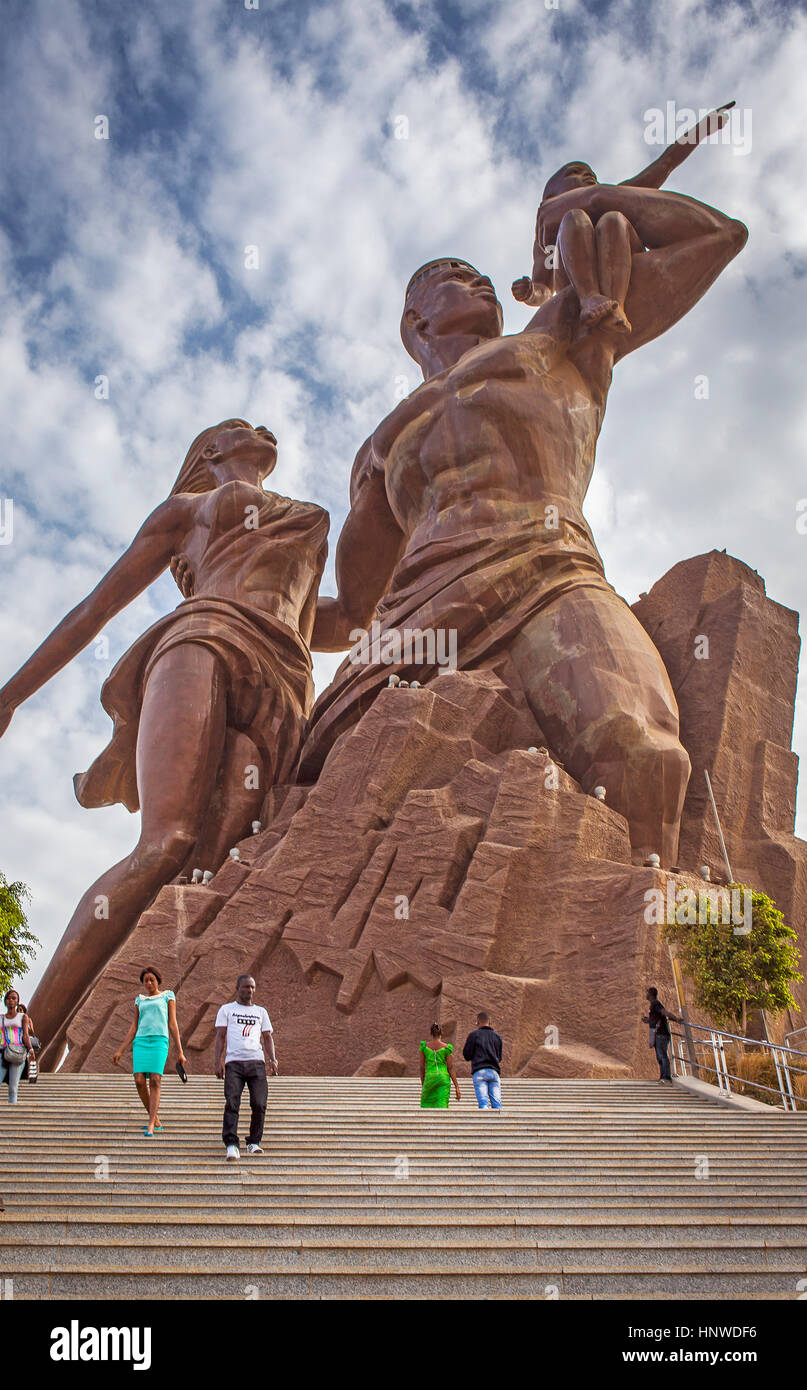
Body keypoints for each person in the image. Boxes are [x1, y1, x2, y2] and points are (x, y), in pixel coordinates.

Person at [302, 153, 747, 876]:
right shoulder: (380, 446)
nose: (476, 277)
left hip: (549, 569)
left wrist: (592, 197)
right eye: (451, 273)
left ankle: (640, 966)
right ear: (416, 319)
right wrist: (242, 611)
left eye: (478, 272)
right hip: (414, 615)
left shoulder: (557, 335)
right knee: (318, 792)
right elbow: (352, 606)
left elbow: (715, 237)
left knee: (643, 758)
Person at [0, 420, 329, 1066]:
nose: (259, 428)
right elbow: (95, 609)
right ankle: (27, 1044)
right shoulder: (191, 510)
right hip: (202, 642)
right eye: (238, 427)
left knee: (216, 860)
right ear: (211, 453)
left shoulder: (306, 520)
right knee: (165, 844)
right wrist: (11, 696)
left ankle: (98, 1036)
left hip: (286, 681)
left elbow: (326, 619)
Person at [511, 103, 735, 318]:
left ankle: (616, 304)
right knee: (574, 218)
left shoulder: (610, 197)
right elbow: (545, 288)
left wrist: (701, 130)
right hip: (575, 285)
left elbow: (664, 164)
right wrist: (530, 292)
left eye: (592, 174)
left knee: (613, 220)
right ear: (551, 196)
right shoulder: (547, 238)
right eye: (576, 173)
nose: (589, 176)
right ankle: (588, 297)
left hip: (622, 267)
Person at [113, 967, 186, 1135]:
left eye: (151, 979)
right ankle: (155, 1119)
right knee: (139, 1080)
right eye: (146, 980)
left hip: (159, 1041)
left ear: (157, 980)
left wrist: (180, 1051)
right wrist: (121, 1050)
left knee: (155, 1080)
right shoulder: (140, 1000)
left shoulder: (168, 996)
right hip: (141, 1041)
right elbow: (134, 1026)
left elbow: (173, 1024)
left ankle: (151, 1124)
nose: (149, 983)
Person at [215, 975, 278, 1161]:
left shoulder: (261, 1012)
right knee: (232, 1103)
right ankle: (231, 1144)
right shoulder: (227, 1010)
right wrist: (217, 1061)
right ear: (237, 988)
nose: (249, 990)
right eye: (245, 987)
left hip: (256, 1062)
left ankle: (253, 1142)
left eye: (252, 987)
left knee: (259, 1103)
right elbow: (220, 1036)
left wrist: (273, 1059)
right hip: (234, 1062)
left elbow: (267, 1037)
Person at [462, 1011, 503, 1110]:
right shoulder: (497, 1037)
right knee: (497, 1104)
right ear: (490, 1022)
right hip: (494, 1072)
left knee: (483, 1103)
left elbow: (467, 1055)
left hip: (479, 1071)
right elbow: (499, 1057)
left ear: (477, 1022)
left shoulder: (473, 1035)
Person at [0, 989, 35, 1104]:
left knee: (13, 1088)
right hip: (2, 1052)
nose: (11, 1000)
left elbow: (25, 1035)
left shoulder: (22, 1017)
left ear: (17, 1002)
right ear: (5, 1001)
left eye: (14, 998)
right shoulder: (1, 1018)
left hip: (17, 1052)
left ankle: (11, 1112)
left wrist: (30, 1049)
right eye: (9, 998)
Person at [642, 986, 682, 1084]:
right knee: (659, 1056)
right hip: (657, 1034)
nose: (645, 994)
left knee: (662, 1055)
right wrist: (647, 1020)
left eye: (647, 992)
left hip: (661, 1034)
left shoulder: (656, 1003)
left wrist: (676, 1019)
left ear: (650, 994)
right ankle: (662, 1077)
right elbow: (657, 1018)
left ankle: (666, 1077)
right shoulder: (653, 1005)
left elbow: (665, 1013)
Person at [418, 1022, 461, 1109]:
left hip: (430, 1077)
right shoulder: (446, 1048)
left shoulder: (424, 1047)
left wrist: (423, 1084)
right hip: (443, 1077)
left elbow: (422, 1067)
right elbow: (450, 1067)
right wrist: (457, 1087)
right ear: (442, 1033)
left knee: (426, 1104)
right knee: (442, 1104)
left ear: (431, 1033)